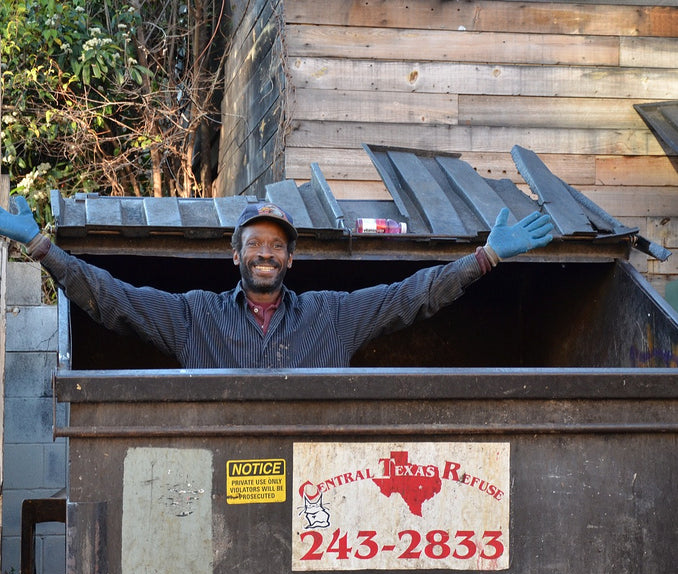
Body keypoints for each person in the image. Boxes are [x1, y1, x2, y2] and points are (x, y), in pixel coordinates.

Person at [0, 197, 553, 369]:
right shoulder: (195, 315)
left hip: (318, 494)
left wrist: (482, 258)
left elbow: (412, 297)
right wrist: (43, 248)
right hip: (223, 486)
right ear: (234, 254)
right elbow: (111, 300)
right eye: (255, 243)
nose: (265, 252)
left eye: (277, 245)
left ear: (290, 260)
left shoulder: (332, 315)